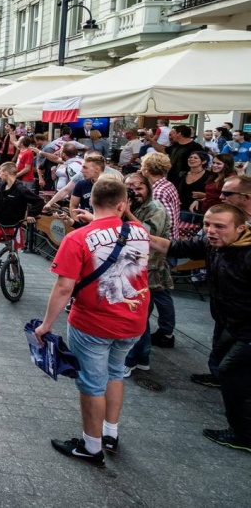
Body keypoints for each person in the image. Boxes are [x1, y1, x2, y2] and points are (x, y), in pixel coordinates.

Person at [35, 179, 150, 465]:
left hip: (93, 322)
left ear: (91, 202)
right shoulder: (139, 231)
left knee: (91, 383)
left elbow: (64, 287)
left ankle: (91, 446)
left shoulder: (77, 238)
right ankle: (111, 432)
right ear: (123, 205)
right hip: (133, 319)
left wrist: (47, 324)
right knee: (116, 373)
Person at [148, 204, 251, 452]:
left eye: (219, 226)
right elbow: (172, 246)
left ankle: (244, 435)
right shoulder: (210, 244)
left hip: (247, 329)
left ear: (241, 228)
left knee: (231, 372)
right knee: (230, 367)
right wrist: (130, 231)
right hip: (231, 322)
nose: (210, 231)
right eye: (207, 225)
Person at [119, 172, 171, 375]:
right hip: (133, 266)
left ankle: (132, 360)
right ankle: (142, 358)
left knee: (137, 316)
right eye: (129, 188)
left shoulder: (155, 208)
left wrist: (128, 212)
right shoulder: (130, 204)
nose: (135, 192)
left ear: (148, 188)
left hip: (149, 269)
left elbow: (147, 235)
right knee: (139, 315)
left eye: (138, 187)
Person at [0, 162, 43, 254]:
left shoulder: (21, 189)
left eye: (0, 173)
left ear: (6, 172)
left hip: (13, 225)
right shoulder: (1, 187)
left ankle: (16, 267)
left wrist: (31, 214)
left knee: (13, 252)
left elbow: (39, 201)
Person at [141, 152, 181, 238]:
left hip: (163, 240)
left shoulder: (157, 192)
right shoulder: (168, 184)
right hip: (172, 238)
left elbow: (167, 221)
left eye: (142, 166)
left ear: (146, 170)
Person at [177, 151, 211, 215]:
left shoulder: (210, 176)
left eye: (195, 158)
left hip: (198, 210)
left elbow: (215, 194)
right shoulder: (181, 174)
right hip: (180, 209)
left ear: (203, 161)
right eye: (190, 157)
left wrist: (204, 195)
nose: (191, 159)